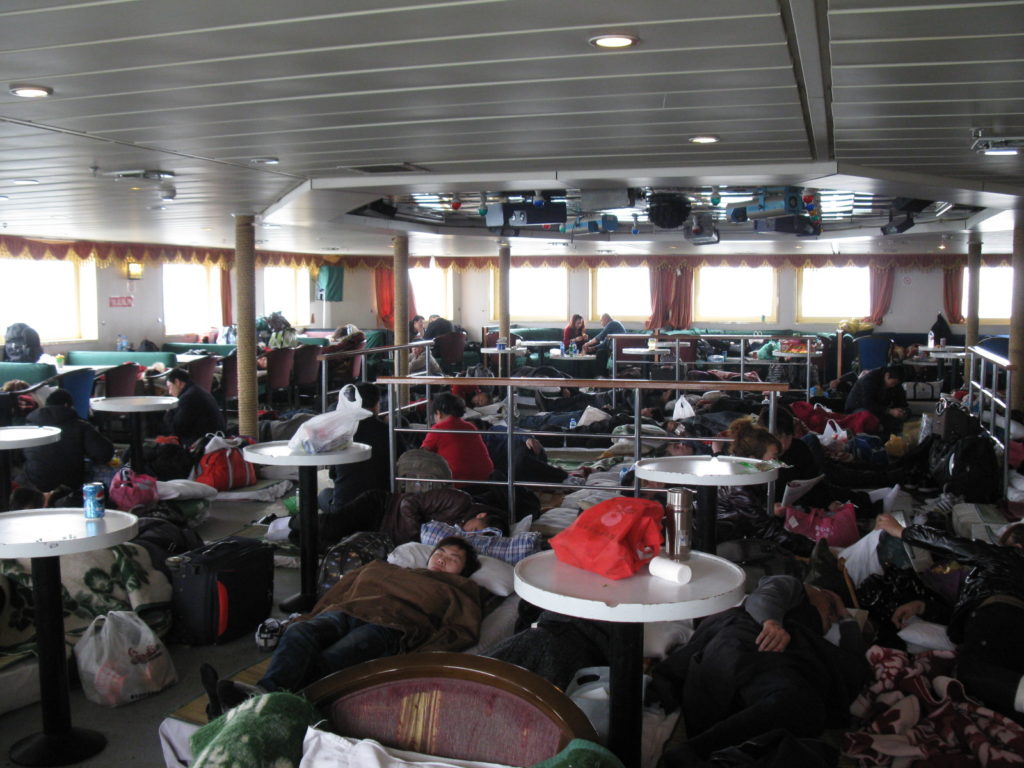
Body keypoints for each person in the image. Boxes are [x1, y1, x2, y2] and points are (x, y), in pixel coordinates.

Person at [207, 537, 484, 713]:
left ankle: (262, 703)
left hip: (393, 625)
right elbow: (342, 590)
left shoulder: (459, 589)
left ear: (464, 571)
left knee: (333, 658)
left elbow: (462, 630)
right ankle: (265, 695)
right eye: (440, 551)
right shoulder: (392, 569)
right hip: (349, 609)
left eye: (454, 558)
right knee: (300, 632)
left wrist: (423, 654)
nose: (442, 558)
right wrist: (312, 614)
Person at [651, 575, 867, 764]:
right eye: (830, 612)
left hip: (757, 678)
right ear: (820, 595)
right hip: (742, 647)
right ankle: (691, 755)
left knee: (799, 709)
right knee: (797, 702)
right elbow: (766, 595)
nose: (830, 620)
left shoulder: (806, 636)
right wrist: (771, 623)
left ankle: (704, 753)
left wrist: (847, 619)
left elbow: (854, 665)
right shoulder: (793, 588)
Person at [876, 514, 1024, 722]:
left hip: (1000, 614)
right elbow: (966, 616)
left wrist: (903, 532)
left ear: (1017, 546)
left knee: (972, 674)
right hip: (1006, 621)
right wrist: (924, 607)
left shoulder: (1009, 556)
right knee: (1003, 693)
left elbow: (953, 545)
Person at [317, 383, 399, 516]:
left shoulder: (344, 432)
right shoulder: (388, 431)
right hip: (382, 505)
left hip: (345, 510)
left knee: (323, 493)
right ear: (376, 405)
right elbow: (401, 458)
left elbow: (333, 474)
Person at [20, 388, 114, 492]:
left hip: (34, 481)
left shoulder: (29, 426)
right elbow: (104, 455)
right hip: (69, 482)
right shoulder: (79, 426)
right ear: (66, 405)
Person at [421, 392, 493, 483]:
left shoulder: (438, 429)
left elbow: (421, 455)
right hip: (485, 479)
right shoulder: (470, 426)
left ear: (438, 413)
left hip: (459, 482)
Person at [163, 368, 225, 445]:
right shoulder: (195, 390)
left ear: (177, 382)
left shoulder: (188, 398)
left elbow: (176, 429)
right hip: (214, 437)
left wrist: (169, 410)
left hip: (204, 442)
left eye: (169, 387)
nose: (169, 392)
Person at [844, 363, 909, 438]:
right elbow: (868, 404)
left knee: (903, 416)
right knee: (870, 418)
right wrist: (889, 411)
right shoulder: (869, 380)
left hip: (877, 408)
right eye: (893, 383)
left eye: (896, 384)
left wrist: (902, 410)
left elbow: (902, 401)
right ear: (887, 375)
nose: (893, 386)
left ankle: (890, 435)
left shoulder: (895, 382)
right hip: (858, 409)